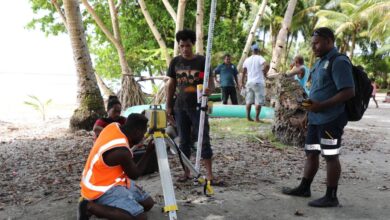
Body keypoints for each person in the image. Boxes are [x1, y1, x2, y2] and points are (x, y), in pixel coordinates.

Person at [282, 27, 355, 207]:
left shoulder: (338, 62)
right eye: (312, 43)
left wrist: (320, 107)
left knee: (330, 156)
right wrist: (307, 112)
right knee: (311, 152)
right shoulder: (319, 62)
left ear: (329, 41)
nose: (313, 47)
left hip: (330, 120)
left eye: (317, 43)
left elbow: (348, 91)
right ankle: (304, 187)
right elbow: (314, 92)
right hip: (315, 120)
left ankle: (331, 196)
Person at [78, 113, 155, 220]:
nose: (144, 136)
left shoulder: (114, 126)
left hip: (114, 179)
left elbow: (129, 144)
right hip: (100, 188)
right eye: (143, 133)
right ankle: (89, 207)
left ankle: (111, 207)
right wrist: (148, 152)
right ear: (136, 131)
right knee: (141, 218)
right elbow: (135, 174)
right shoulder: (121, 152)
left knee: (148, 204)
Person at [166, 29, 217, 184]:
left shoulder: (202, 61)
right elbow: (171, 84)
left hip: (198, 107)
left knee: (203, 139)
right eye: (182, 46)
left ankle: (209, 174)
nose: (185, 49)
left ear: (193, 44)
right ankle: (186, 173)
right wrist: (168, 106)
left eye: (188, 45)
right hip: (180, 107)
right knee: (183, 141)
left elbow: (209, 82)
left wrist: (209, 90)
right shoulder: (175, 62)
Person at [241, 44, 270, 122]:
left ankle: (248, 117)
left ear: (252, 51)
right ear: (258, 50)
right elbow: (266, 65)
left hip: (249, 82)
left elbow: (243, 71)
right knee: (258, 101)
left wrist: (242, 82)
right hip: (258, 82)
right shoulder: (260, 58)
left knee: (248, 101)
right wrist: (265, 73)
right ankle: (257, 118)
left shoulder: (247, 59)